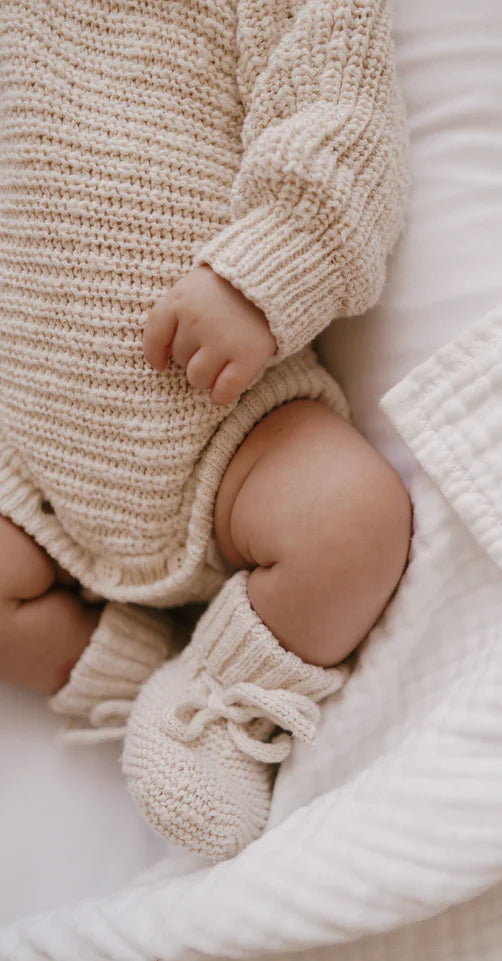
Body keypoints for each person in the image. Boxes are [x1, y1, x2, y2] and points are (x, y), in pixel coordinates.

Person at [0, 0, 411, 860]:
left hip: (232, 430)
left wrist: (262, 274)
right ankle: (139, 672)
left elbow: (342, 125)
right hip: (32, 467)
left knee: (350, 518)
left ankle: (220, 699)